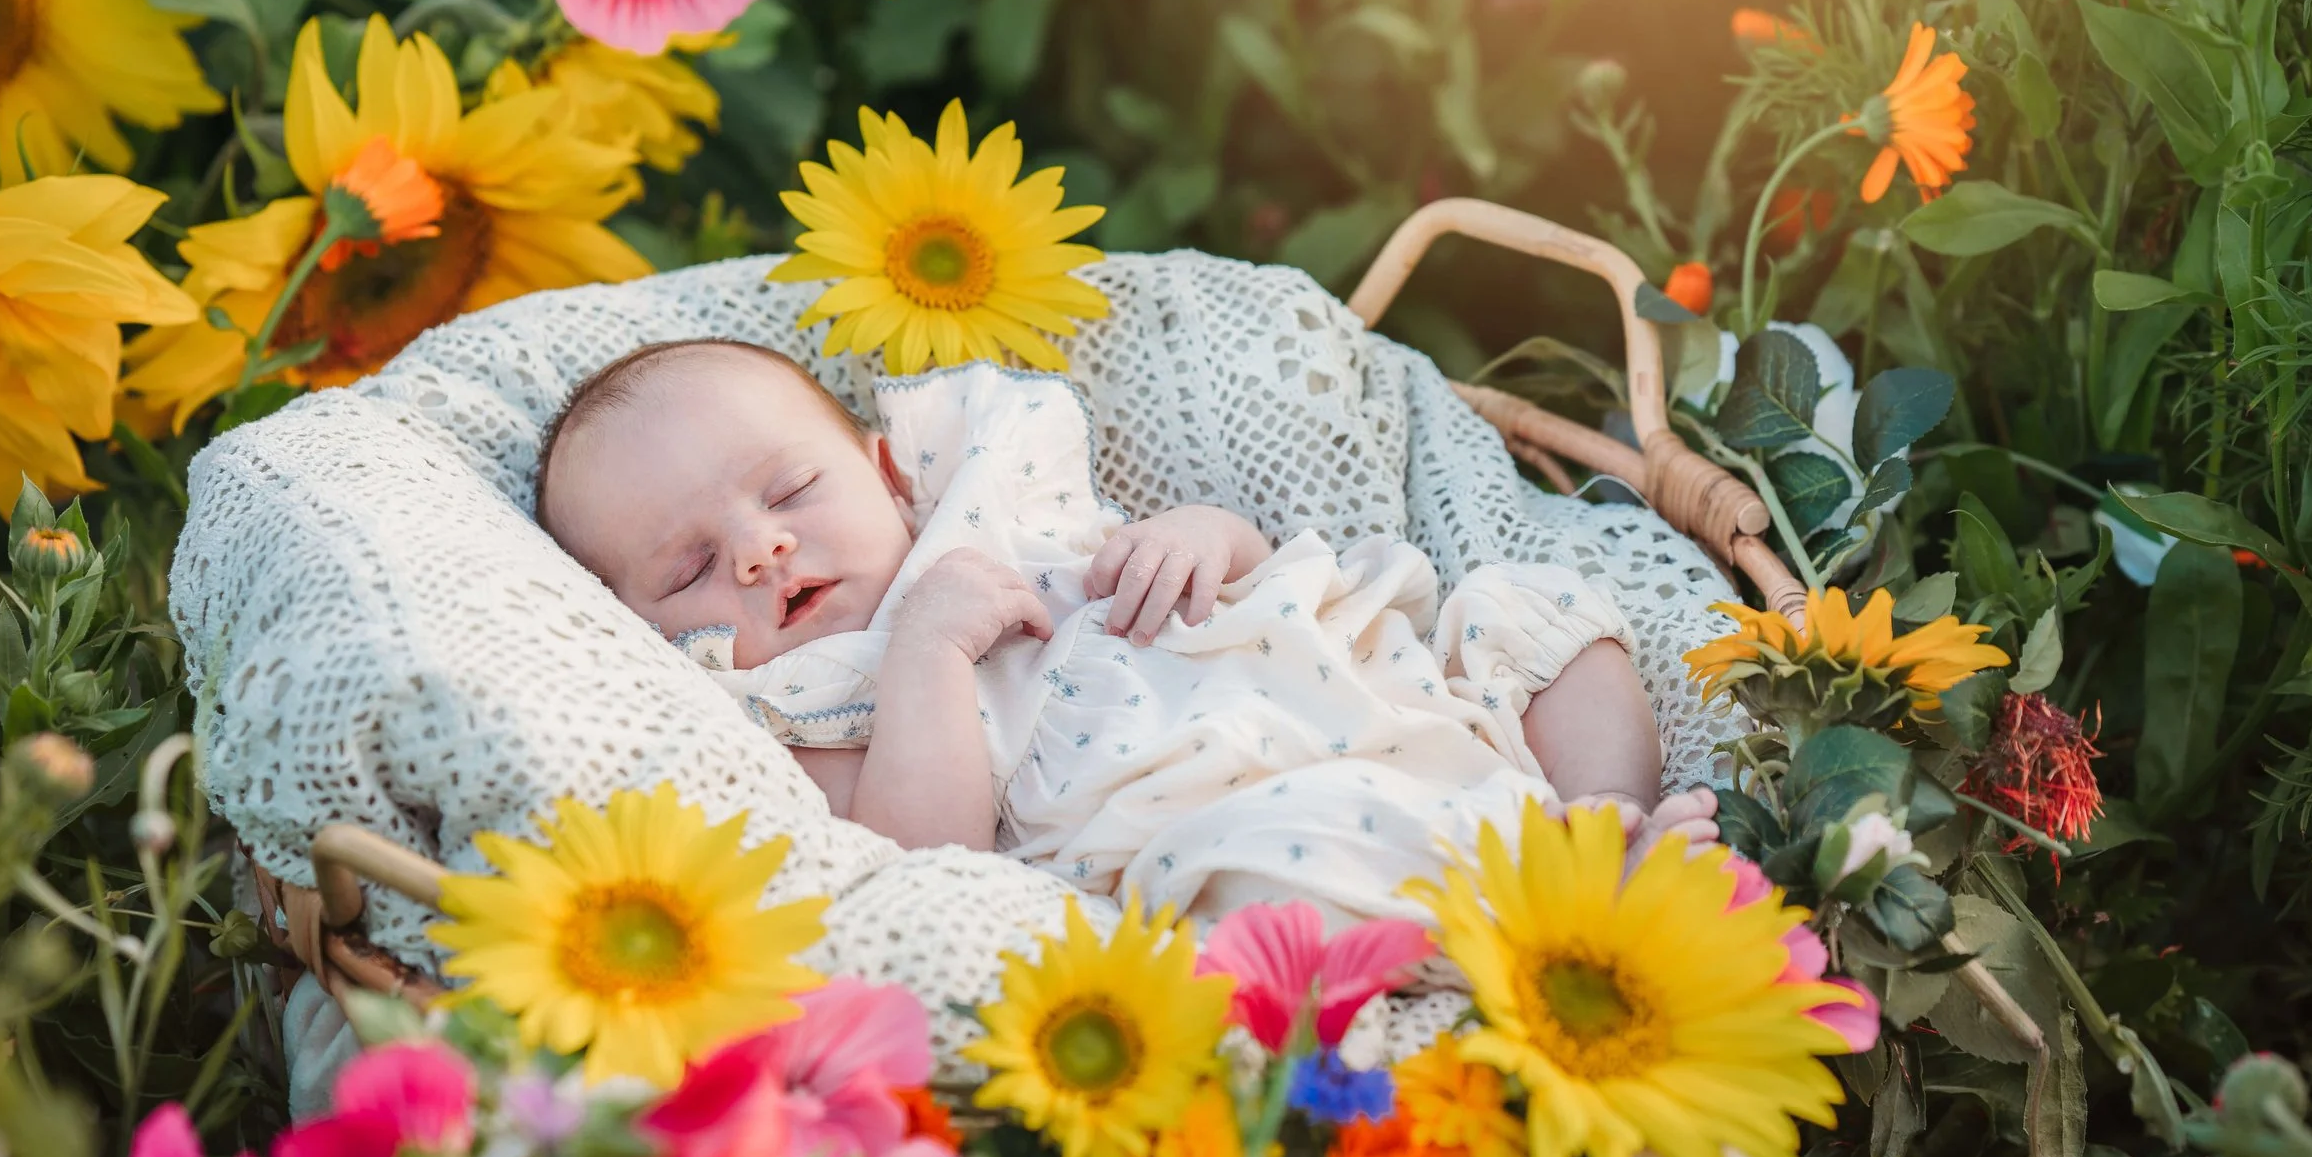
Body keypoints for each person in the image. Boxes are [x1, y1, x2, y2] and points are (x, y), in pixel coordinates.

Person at [536, 339, 1715, 926]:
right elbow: (921, 857)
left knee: (1536, 615)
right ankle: (1552, 909)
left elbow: (1252, 569)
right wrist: (926, 655)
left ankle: (1600, 806)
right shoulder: (806, 709)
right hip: (1231, 813)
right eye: (690, 567)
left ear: (891, 476)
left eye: (790, 491)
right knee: (1272, 859)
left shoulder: (1005, 508)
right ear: (639, 629)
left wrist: (1208, 536)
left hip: (1381, 696)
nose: (758, 551)